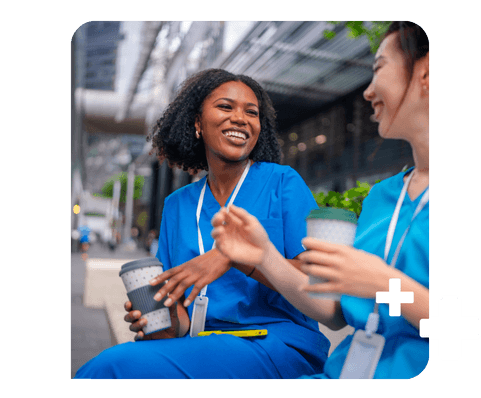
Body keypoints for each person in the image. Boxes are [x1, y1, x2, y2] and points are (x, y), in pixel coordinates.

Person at [74, 69, 329, 379]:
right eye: (225, 107)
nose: (240, 118)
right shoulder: (177, 205)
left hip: (276, 342)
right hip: (199, 342)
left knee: (115, 367)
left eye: (252, 112)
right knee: (121, 358)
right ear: (196, 123)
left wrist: (236, 258)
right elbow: (180, 317)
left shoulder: (283, 184)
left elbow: (320, 279)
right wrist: (160, 319)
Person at [212, 21, 430, 380]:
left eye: (378, 68)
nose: (367, 91)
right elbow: (336, 311)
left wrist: (385, 283)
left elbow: (472, 329)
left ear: (426, 72)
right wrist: (265, 256)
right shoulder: (382, 196)